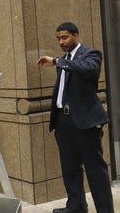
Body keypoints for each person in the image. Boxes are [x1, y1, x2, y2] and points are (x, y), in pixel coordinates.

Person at [37, 22, 113, 213]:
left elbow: (87, 69)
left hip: (86, 124)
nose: (61, 42)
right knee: (70, 169)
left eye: (65, 37)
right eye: (58, 39)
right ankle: (76, 207)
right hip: (64, 123)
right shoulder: (64, 61)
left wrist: (56, 61)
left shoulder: (91, 55)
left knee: (96, 172)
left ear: (76, 35)